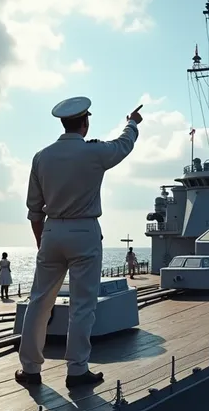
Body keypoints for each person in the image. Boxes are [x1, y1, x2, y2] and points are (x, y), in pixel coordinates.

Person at [15, 96, 143, 388]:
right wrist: (132, 123)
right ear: (85, 123)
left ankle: (31, 369)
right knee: (82, 305)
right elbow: (123, 145)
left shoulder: (41, 156)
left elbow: (34, 210)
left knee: (39, 302)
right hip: (84, 231)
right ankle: (76, 371)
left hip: (50, 231)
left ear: (63, 123)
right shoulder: (94, 152)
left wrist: (42, 242)